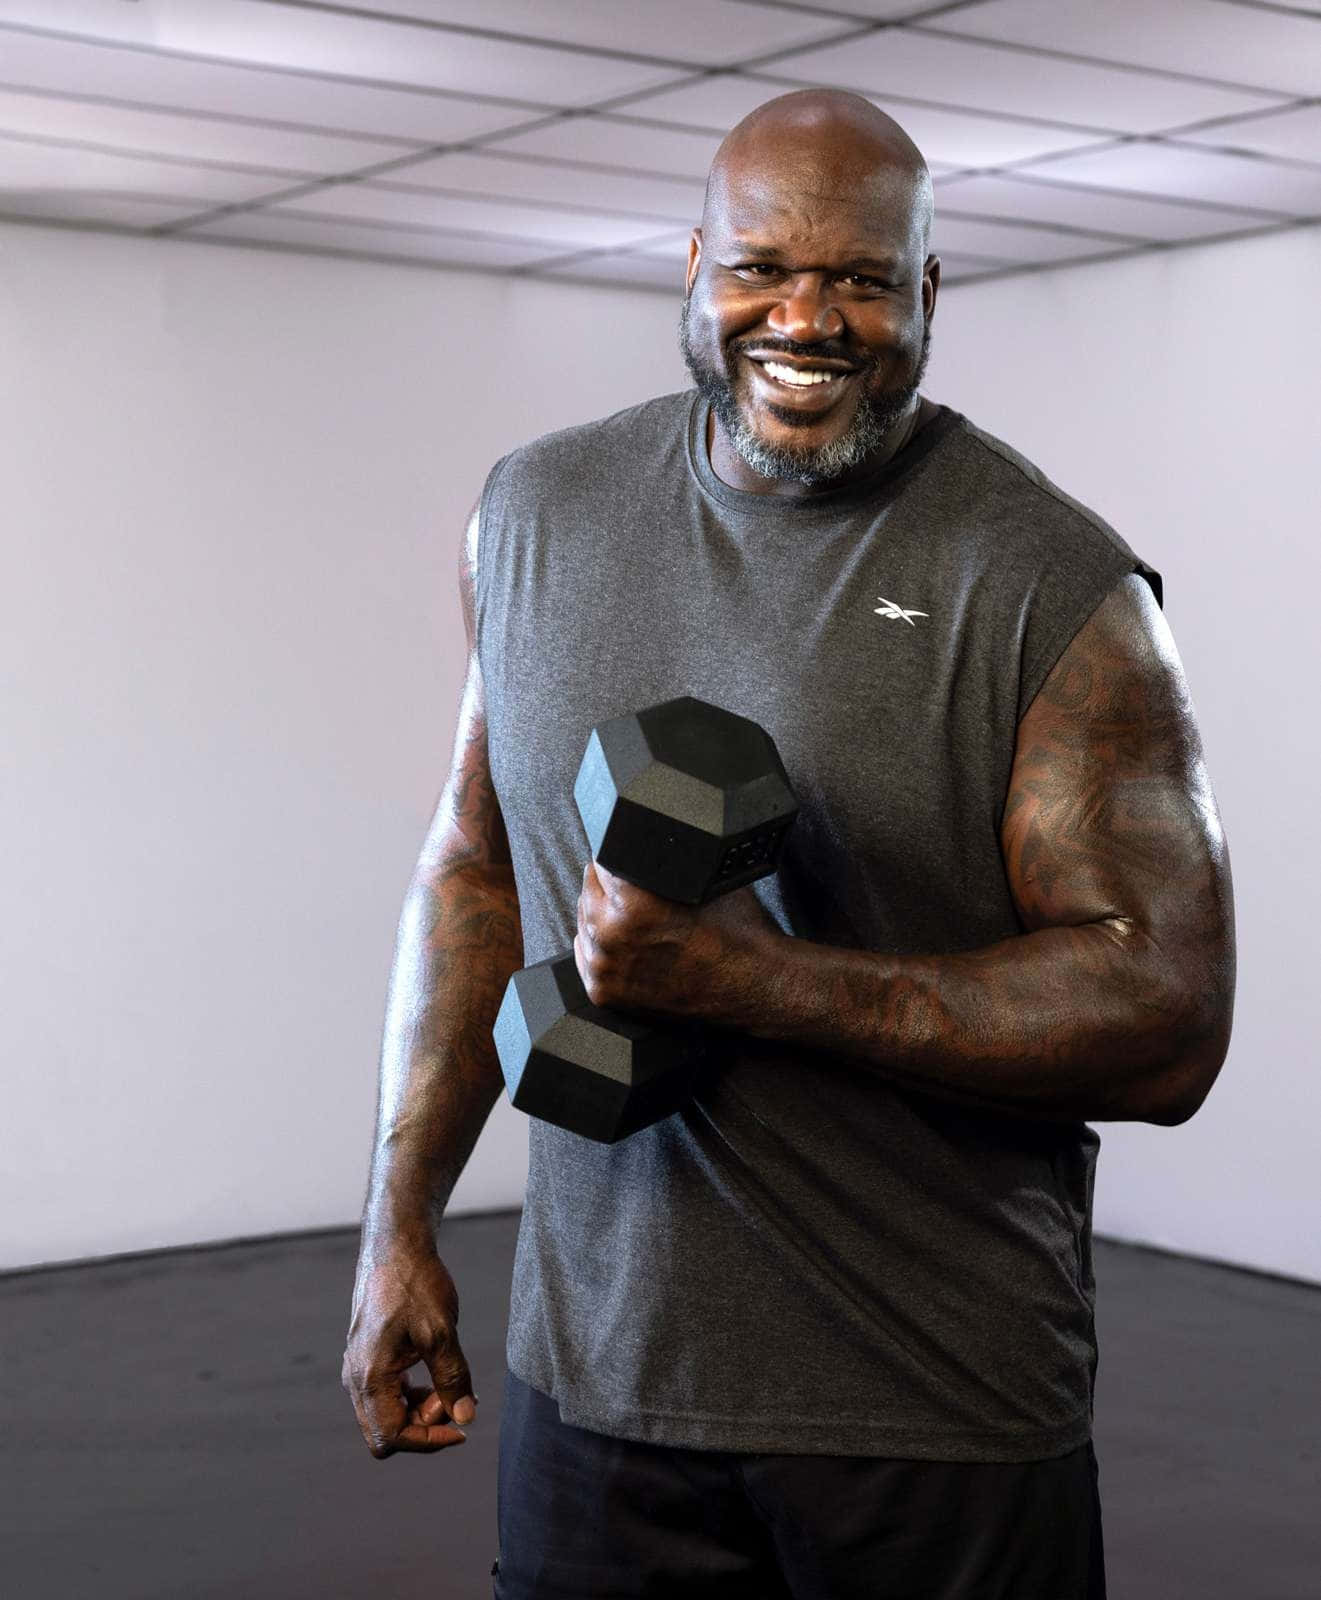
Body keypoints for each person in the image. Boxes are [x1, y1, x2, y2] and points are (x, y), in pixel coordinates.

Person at [342, 88, 1235, 1600]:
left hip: (930, 1413)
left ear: (926, 291)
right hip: (597, 1386)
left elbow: (1165, 1023)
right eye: (761, 267)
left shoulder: (1053, 587)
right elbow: (475, 866)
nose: (805, 318)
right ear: (693, 265)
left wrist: (755, 983)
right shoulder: (534, 512)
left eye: (862, 280)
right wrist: (397, 1223)